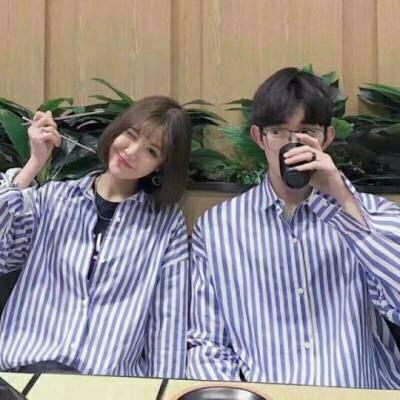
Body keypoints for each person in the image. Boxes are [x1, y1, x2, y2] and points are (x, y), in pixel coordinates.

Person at [187, 68, 400, 388]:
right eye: (278, 132)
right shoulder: (218, 228)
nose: (293, 144)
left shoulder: (373, 213)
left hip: (356, 390)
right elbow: (206, 343)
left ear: (327, 138)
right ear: (259, 137)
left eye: (307, 132)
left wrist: (343, 200)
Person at [0, 96, 192, 377]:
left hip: (106, 382)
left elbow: (168, 319)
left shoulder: (166, 224)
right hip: (27, 372)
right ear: (118, 130)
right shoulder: (53, 198)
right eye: (131, 135)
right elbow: (3, 253)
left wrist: (165, 388)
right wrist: (34, 164)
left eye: (151, 151)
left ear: (161, 165)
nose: (132, 152)